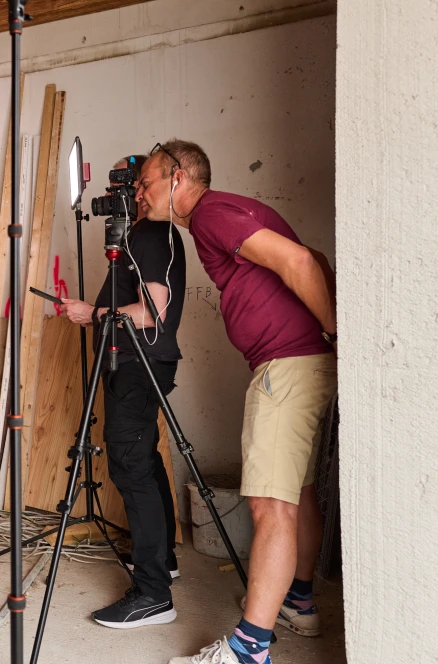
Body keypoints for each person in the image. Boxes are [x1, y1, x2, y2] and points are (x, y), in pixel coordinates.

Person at [133, 142, 336, 664]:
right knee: (295, 492)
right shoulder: (226, 212)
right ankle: (297, 601)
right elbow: (314, 257)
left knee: (270, 505)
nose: (139, 192)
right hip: (298, 361)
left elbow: (298, 261)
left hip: (287, 364)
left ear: (178, 178)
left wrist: (336, 331)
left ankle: (249, 649)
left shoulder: (211, 213)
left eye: (146, 182)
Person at [59, 157, 187, 629]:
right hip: (135, 362)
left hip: (137, 363)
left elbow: (153, 311)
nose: (120, 198)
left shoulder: (150, 233)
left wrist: (90, 314)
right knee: (144, 461)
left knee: (131, 467)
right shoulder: (145, 235)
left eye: (126, 187)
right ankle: (163, 560)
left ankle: (153, 595)